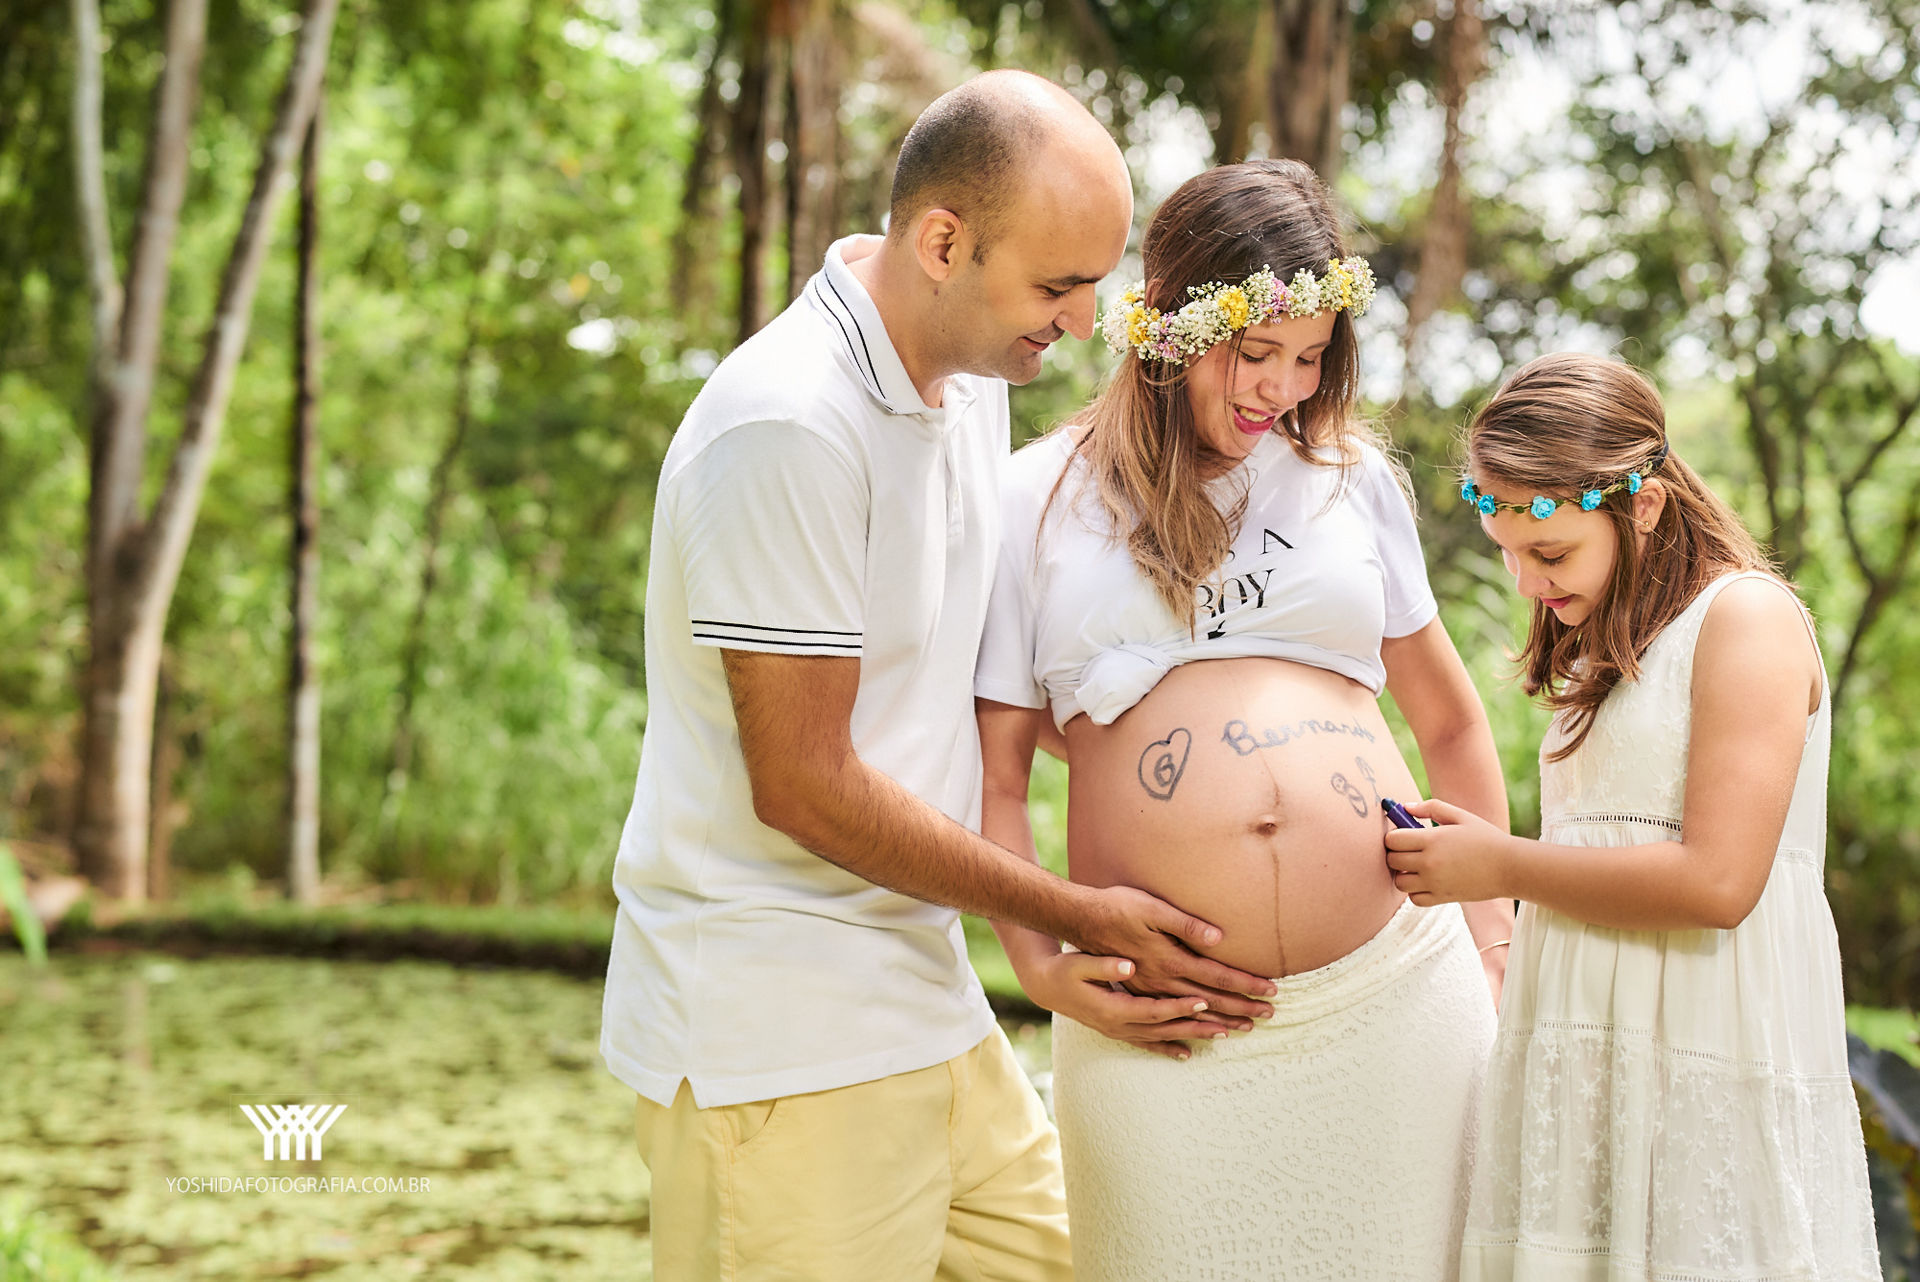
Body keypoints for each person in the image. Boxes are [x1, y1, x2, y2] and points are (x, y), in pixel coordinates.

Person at [598, 71, 1282, 1282]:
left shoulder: (966, 383)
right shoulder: (786, 428)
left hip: (920, 992)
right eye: (1060, 286)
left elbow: (973, 671)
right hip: (782, 1038)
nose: (1081, 322)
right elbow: (804, 785)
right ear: (942, 242)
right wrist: (1069, 910)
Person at [974, 158, 1516, 1281]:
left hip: (1401, 997)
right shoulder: (1034, 496)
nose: (1282, 389)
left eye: (1312, 358)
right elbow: (994, 776)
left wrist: (1497, 951)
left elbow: (1453, 727)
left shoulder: (1349, 478)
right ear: (1167, 324)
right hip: (1164, 1019)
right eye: (1255, 352)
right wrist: (1035, 959)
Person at [1386, 353, 1881, 1278]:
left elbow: (1720, 882)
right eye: (1510, 555)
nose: (1528, 585)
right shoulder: (1608, 653)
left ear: (1643, 504)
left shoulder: (1745, 621)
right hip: (1589, 1066)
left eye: (1551, 552)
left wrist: (1502, 867)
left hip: (1703, 1048)